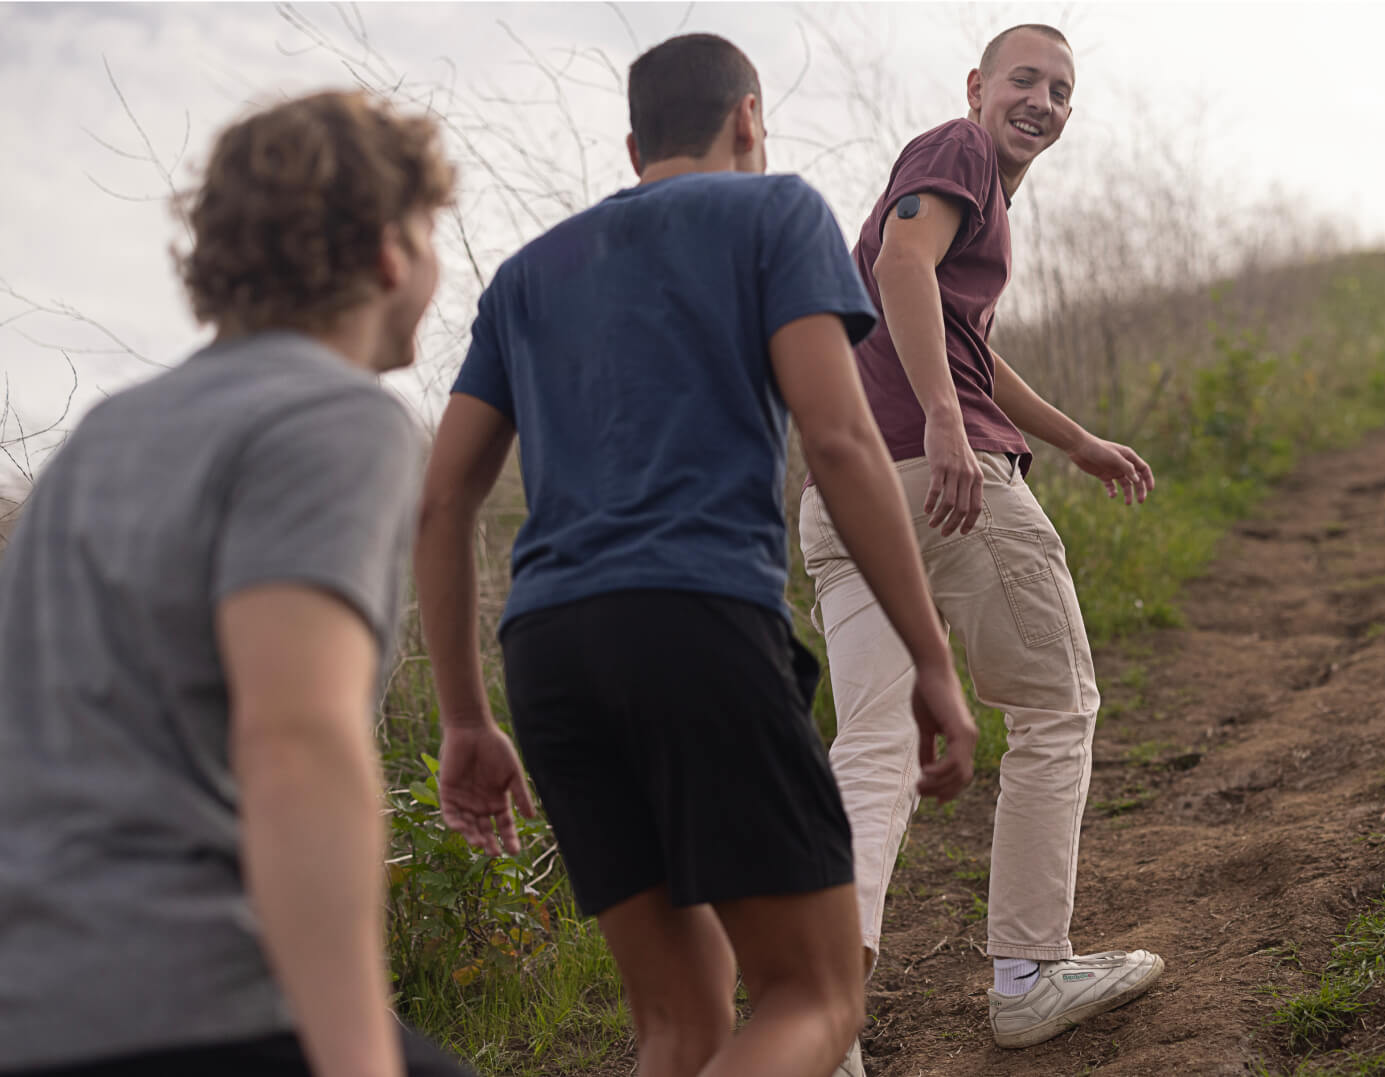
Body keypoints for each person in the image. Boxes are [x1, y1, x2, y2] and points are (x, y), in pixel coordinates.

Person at [413, 32, 979, 1077]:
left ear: (634, 147)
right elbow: (841, 440)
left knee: (681, 1026)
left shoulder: (528, 273)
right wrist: (929, 654)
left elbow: (443, 500)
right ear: (749, 118)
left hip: (548, 656)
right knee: (815, 996)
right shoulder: (776, 213)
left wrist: (463, 718)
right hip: (697, 623)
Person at [0, 91, 474, 1077]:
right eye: (431, 230)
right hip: (186, 1000)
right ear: (389, 250)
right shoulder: (333, 415)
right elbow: (296, 739)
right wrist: (358, 1060)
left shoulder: (100, 437)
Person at [797, 24, 1164, 1070]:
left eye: (1062, 90)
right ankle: (1029, 974)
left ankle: (822, 1023)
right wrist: (947, 424)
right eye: (1024, 80)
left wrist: (1075, 440)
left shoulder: (976, 198)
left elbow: (965, 344)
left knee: (874, 745)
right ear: (976, 88)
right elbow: (899, 265)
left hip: (845, 495)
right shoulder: (953, 150)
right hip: (946, 484)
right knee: (1055, 706)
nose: (1043, 101)